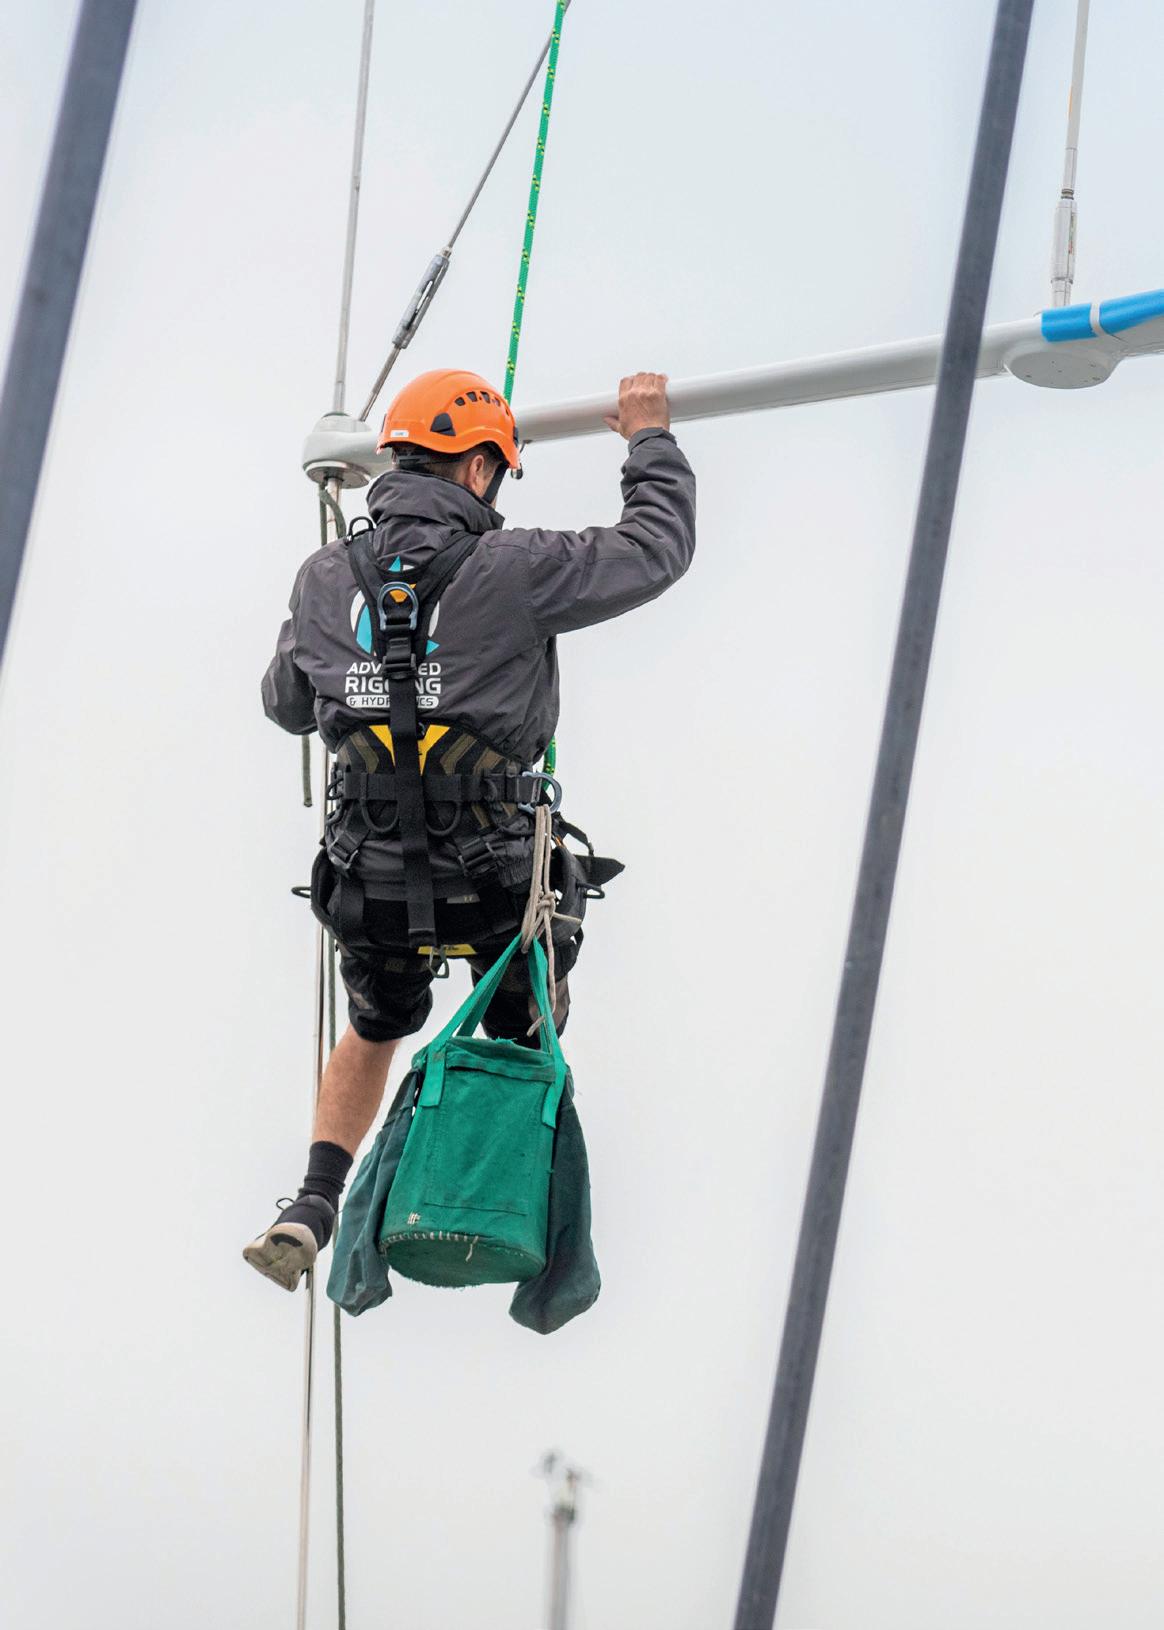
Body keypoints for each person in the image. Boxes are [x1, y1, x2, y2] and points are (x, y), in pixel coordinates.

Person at [244, 368, 696, 1290]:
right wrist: (648, 438)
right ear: (481, 468)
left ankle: (315, 1202)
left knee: (375, 1024)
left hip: (367, 877)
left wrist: (361, 660)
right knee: (524, 1020)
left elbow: (287, 703)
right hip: (492, 877)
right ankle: (482, 1194)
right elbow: (654, 550)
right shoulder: (515, 567)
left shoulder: (326, 576)